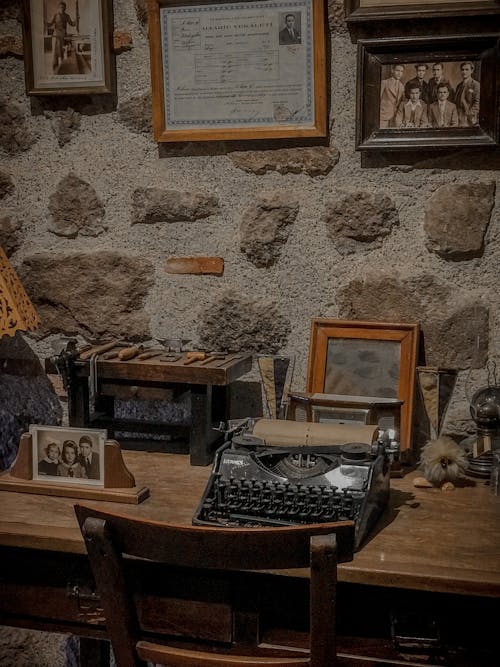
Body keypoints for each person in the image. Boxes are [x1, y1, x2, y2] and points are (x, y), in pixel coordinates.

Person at [47, 2, 75, 73]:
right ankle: (54, 68)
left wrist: (76, 20)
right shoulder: (55, 15)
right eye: (61, 7)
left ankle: (62, 68)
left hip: (63, 36)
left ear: (65, 8)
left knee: (62, 52)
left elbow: (72, 24)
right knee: (55, 53)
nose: (62, 9)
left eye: (63, 7)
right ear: (58, 8)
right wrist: (44, 23)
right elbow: (50, 24)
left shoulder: (67, 16)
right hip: (56, 36)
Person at [454, 61, 480, 127]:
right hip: (458, 117)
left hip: (469, 119)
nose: (464, 72)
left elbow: (477, 103)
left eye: (467, 69)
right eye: (462, 70)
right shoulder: (459, 86)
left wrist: (469, 114)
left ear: (472, 71)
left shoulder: (475, 85)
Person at [379, 64, 405, 128]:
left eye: (401, 71)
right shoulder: (384, 82)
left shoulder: (402, 86)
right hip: (383, 116)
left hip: (395, 118)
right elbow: (377, 100)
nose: (399, 73)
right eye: (397, 70)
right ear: (392, 71)